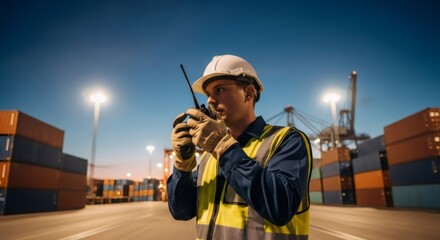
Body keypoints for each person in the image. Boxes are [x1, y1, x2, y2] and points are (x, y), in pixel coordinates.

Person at [167, 54, 312, 240]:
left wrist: (222, 146)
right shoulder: (210, 157)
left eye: (219, 89)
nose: (210, 100)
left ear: (249, 93)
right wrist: (183, 163)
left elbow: (280, 207)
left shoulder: (286, 140)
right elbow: (181, 211)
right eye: (208, 94)